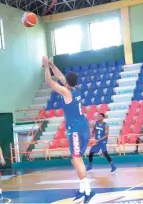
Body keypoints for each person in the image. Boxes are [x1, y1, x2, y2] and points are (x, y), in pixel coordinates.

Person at [43, 57, 95, 203]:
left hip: (76, 130)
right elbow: (59, 76)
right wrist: (53, 64)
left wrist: (46, 67)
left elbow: (49, 82)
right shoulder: (75, 90)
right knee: (74, 159)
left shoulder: (67, 93)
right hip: (83, 127)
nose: (62, 79)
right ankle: (82, 189)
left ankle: (88, 191)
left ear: (67, 81)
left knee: (76, 158)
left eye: (64, 79)